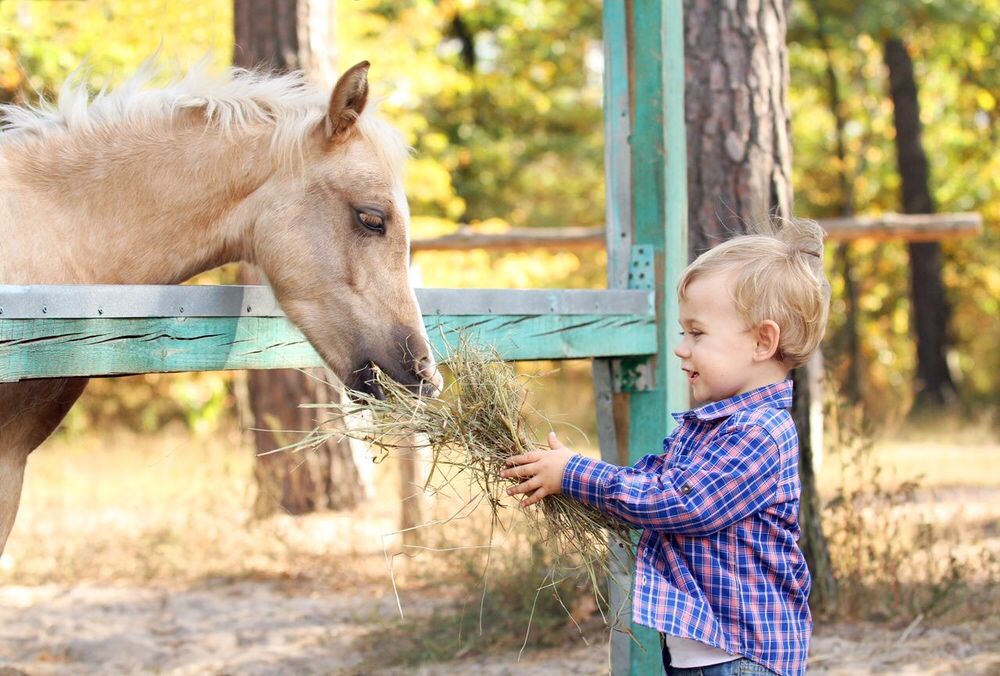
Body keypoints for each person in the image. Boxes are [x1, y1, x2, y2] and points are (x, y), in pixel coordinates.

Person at [500, 219, 831, 676]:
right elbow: (649, 483)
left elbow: (680, 502)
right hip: (706, 652)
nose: (681, 348)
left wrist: (576, 472)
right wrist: (567, 477)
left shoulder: (759, 433)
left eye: (697, 333)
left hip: (742, 657)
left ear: (762, 341)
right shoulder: (710, 427)